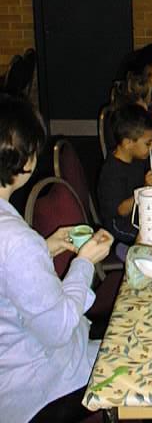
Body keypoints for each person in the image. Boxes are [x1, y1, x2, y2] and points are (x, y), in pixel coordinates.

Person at [0, 94, 114, 423]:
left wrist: (44, 247)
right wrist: (84, 262)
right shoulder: (16, 242)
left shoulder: (16, 239)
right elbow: (60, 328)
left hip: (13, 368)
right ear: (26, 161)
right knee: (140, 359)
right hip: (37, 386)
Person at [97, 104, 152, 245]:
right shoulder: (112, 172)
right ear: (128, 143)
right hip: (121, 226)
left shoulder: (136, 154)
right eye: (148, 144)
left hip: (138, 212)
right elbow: (122, 210)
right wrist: (144, 188)